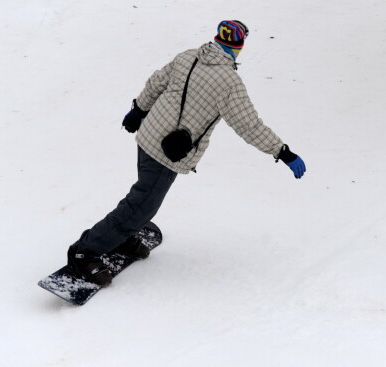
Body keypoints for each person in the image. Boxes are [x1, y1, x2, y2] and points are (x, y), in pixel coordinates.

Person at [67, 20, 306, 286]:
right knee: (141, 204)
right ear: (239, 46)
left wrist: (138, 110)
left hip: (148, 137)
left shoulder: (189, 56)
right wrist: (283, 152)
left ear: (217, 38)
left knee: (144, 198)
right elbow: (249, 125)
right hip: (166, 154)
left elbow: (156, 83)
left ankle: (121, 235)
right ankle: (86, 251)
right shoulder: (229, 82)